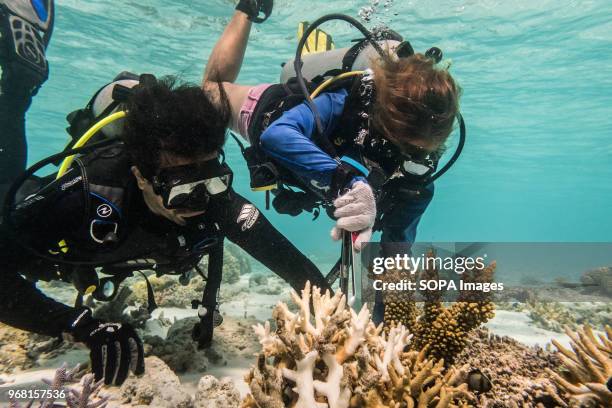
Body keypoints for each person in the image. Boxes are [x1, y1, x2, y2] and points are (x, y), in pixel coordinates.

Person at [0, 0, 329, 386]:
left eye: (214, 180)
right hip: (57, 228)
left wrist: (326, 325)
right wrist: (81, 326)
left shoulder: (214, 199)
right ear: (141, 177)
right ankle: (21, 83)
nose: (202, 203)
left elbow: (300, 273)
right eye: (183, 191)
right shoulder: (92, 193)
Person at [203, 2, 463, 322]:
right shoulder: (353, 99)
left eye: (423, 151)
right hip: (272, 115)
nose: (411, 158)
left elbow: (395, 253)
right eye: (403, 145)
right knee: (210, 90)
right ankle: (247, 9)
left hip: (317, 163)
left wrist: (385, 323)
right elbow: (277, 135)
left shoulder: (416, 169)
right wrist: (347, 182)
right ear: (381, 117)